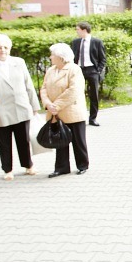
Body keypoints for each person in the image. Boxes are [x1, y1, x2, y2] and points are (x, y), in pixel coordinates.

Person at [0, 34, 41, 180]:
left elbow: (28, 84)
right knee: (4, 142)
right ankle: (7, 169)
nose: (3, 50)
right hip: (1, 110)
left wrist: (34, 106)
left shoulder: (19, 62)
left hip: (21, 107)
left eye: (6, 47)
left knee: (24, 140)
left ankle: (28, 165)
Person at [40, 43, 89, 177]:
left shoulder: (74, 70)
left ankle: (82, 164)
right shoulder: (51, 70)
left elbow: (74, 90)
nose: (50, 57)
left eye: (52, 55)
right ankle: (61, 167)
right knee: (59, 140)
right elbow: (43, 88)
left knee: (78, 140)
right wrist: (47, 103)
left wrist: (56, 105)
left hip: (72, 111)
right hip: (55, 113)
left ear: (61, 57)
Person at [70, 21, 106, 127]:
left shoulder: (97, 42)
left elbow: (102, 58)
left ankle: (93, 118)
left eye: (78, 30)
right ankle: (78, 117)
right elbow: (73, 57)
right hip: (79, 70)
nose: (76, 32)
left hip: (92, 70)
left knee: (93, 95)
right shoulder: (76, 42)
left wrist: (98, 70)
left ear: (84, 30)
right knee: (77, 93)